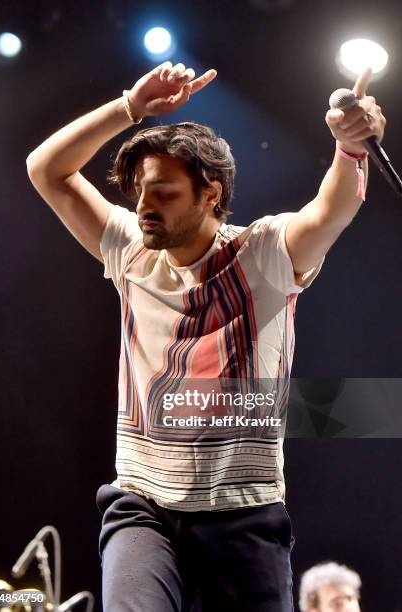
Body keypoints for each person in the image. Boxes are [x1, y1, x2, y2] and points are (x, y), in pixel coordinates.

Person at [26, 61, 385, 611]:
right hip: (143, 505)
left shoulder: (262, 255)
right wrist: (131, 107)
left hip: (244, 512)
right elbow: (46, 168)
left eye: (163, 193)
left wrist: (350, 149)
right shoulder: (131, 248)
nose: (143, 207)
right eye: (140, 192)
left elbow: (330, 211)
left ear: (210, 194)